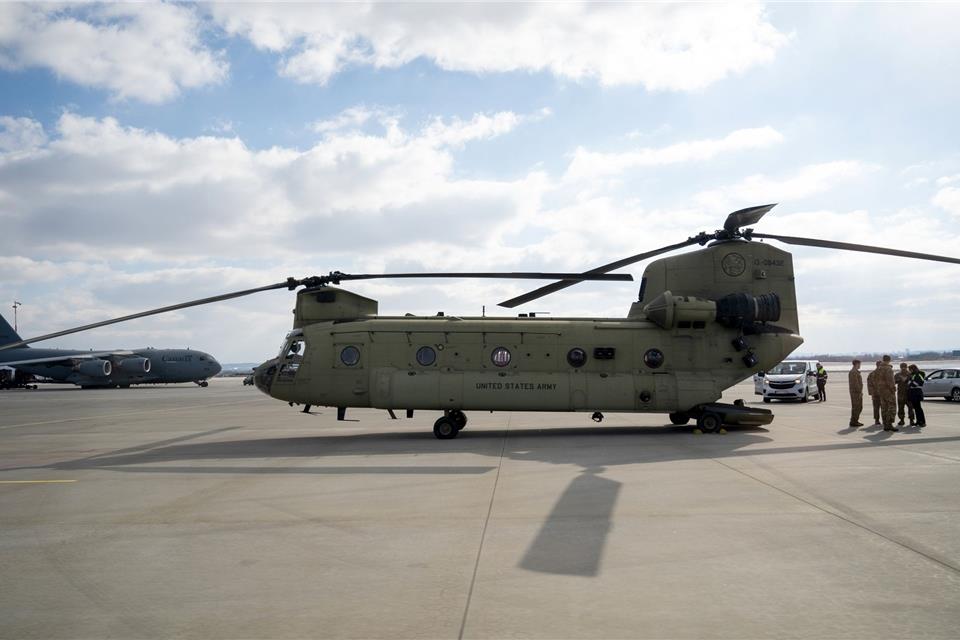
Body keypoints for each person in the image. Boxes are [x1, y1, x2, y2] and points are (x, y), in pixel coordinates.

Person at [878, 355, 898, 431]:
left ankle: (885, 425)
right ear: (889, 360)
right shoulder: (888, 369)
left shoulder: (879, 368)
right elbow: (890, 381)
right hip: (888, 390)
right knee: (891, 407)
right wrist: (893, 389)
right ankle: (889, 424)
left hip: (881, 390)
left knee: (884, 407)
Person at [894, 362, 916, 426]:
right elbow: (894, 382)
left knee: (910, 407)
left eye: (904, 367)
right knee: (901, 408)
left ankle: (911, 420)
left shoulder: (910, 374)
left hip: (908, 393)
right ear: (900, 367)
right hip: (901, 393)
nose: (903, 368)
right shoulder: (898, 375)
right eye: (902, 367)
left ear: (906, 367)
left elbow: (914, 382)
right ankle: (902, 420)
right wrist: (899, 380)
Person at [848, 359, 863, 427]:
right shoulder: (853, 372)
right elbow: (855, 383)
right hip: (855, 392)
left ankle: (854, 421)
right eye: (859, 364)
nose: (860, 365)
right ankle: (853, 421)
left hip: (856, 392)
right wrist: (859, 392)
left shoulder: (855, 372)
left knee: (858, 407)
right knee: (857, 407)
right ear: (856, 364)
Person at [866, 361, 882, 426]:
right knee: (878, 407)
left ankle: (878, 420)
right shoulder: (873, 374)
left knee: (877, 407)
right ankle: (878, 420)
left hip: (879, 393)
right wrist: (871, 393)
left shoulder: (872, 373)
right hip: (878, 393)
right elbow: (869, 384)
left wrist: (871, 392)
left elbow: (869, 384)